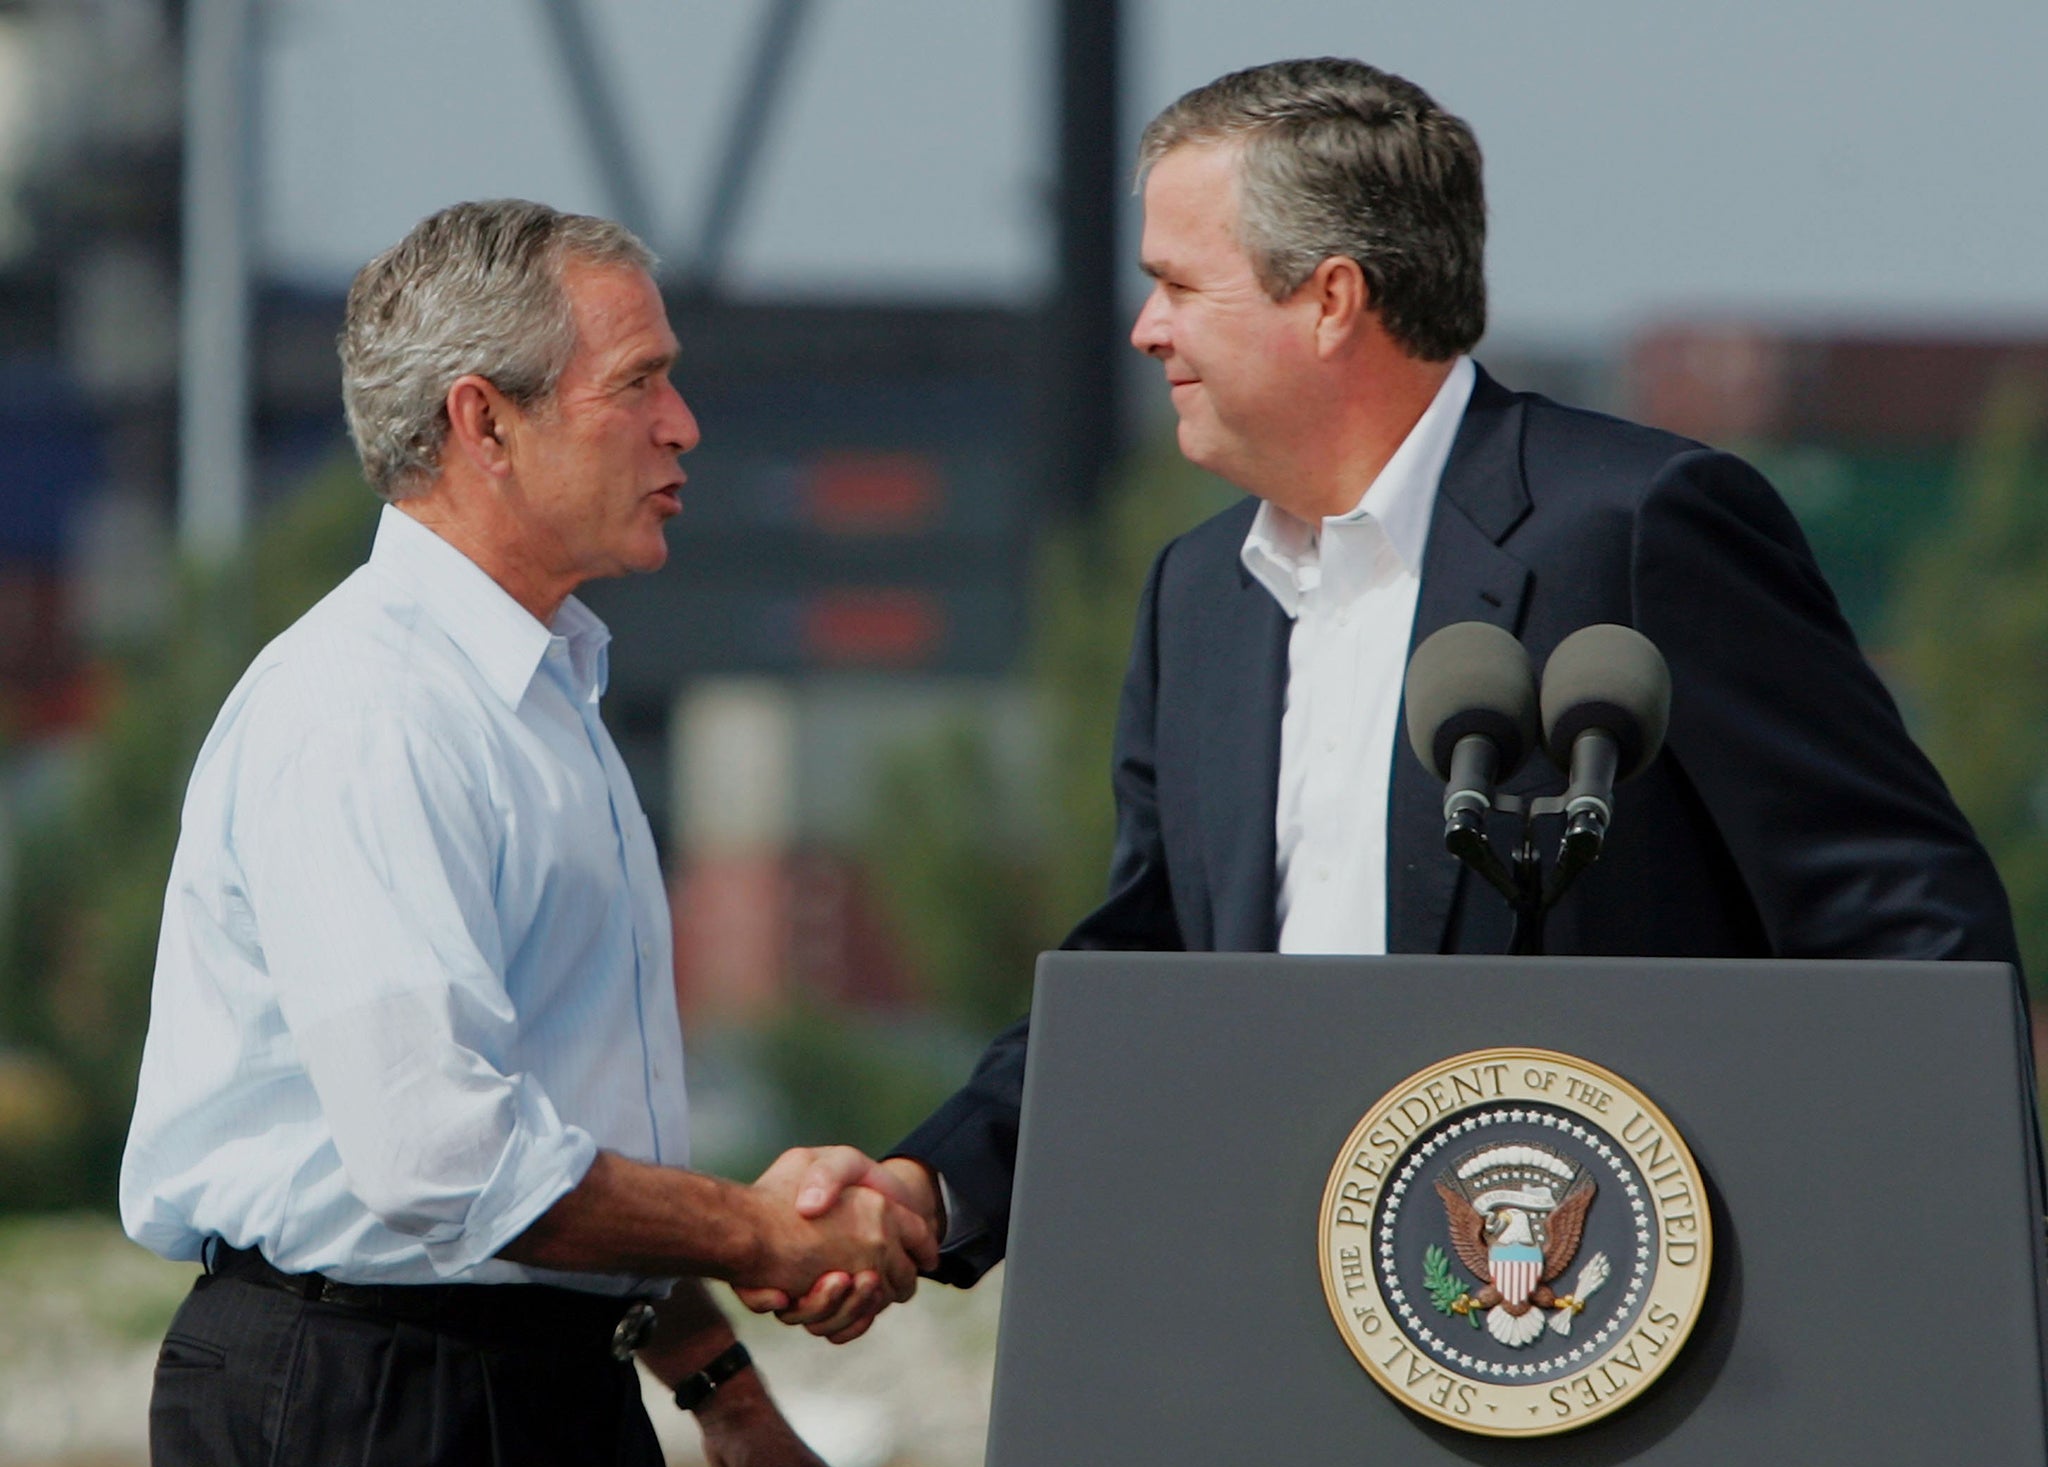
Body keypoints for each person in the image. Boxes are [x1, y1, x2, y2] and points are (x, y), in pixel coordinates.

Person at [742, 57, 2022, 1326]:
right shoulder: (1198, 596)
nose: (1145, 329)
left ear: (1329, 299)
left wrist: (1934, 1297)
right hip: (1300, 1332)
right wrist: (921, 1187)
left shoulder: (1635, 528)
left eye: (1177, 284)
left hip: (1648, 1338)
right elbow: (1152, 964)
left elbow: (1898, 912)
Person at [119, 199, 935, 1467]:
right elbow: (443, 1160)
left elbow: (556, 1129)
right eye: (641, 384)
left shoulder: (538, 695)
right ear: (481, 422)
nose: (684, 426)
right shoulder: (369, 711)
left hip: (512, 1398)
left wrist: (716, 1377)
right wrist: (759, 1230)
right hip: (371, 1412)